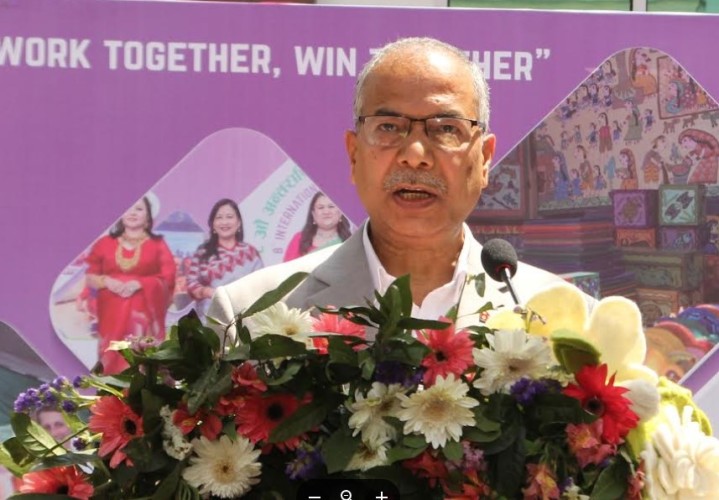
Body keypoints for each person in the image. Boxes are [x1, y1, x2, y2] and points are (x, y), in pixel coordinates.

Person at [208, 37, 589, 339]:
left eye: (446, 129)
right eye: (389, 127)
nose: (415, 155)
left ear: (485, 158)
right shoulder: (249, 316)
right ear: (354, 154)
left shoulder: (566, 321)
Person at [85, 197, 176, 374]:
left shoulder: (158, 245)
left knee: (138, 363)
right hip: (111, 317)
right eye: (128, 208)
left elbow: (168, 277)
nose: (132, 213)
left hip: (142, 318)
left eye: (139, 209)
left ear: (148, 216)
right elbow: (90, 277)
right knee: (110, 362)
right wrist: (106, 281)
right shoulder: (104, 244)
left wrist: (140, 283)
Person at [186, 198, 263, 318]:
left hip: (245, 316)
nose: (224, 222)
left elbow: (261, 284)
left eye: (229, 217)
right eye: (219, 217)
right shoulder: (202, 253)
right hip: (209, 318)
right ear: (213, 224)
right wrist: (207, 292)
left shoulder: (250, 253)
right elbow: (191, 284)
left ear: (239, 223)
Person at [283, 191, 352, 262]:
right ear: (313, 214)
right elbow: (287, 268)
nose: (326, 212)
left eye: (331, 207)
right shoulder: (299, 239)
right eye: (321, 207)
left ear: (340, 213)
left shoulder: (350, 241)